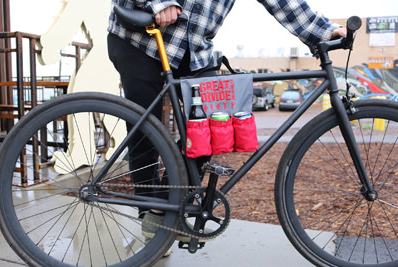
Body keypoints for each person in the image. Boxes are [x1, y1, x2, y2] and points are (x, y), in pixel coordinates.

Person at [107, 0, 346, 239]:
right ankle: (152, 228)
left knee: (214, 125)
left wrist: (325, 31)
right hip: (140, 40)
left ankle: (160, 213)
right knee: (147, 132)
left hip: (194, 52)